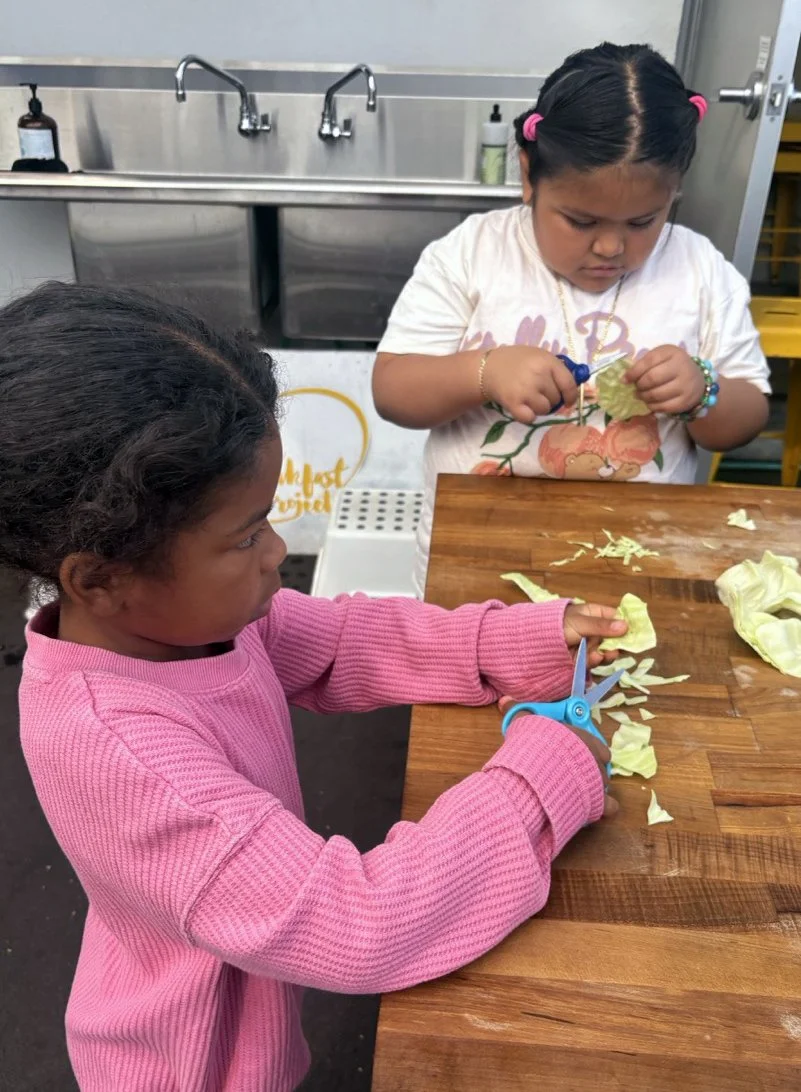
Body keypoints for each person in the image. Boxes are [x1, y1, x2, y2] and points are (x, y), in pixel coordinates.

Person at [1, 282, 627, 1092]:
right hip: (190, 1066)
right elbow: (362, 925)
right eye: (245, 536)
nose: (277, 552)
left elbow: (340, 642)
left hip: (250, 1013)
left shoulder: (187, 621)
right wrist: (545, 773)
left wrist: (516, 642)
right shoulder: (122, 752)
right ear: (102, 579)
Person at [373, 42, 771, 596]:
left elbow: (748, 415)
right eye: (581, 221)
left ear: (674, 193)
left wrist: (702, 391)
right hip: (477, 553)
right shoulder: (471, 253)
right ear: (528, 175)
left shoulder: (700, 270)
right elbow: (393, 390)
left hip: (639, 555)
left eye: (642, 222)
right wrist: (484, 372)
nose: (610, 246)